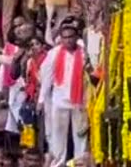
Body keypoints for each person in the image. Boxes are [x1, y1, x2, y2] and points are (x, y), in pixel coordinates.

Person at [37, 24, 90, 167]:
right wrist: (41, 100)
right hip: (59, 101)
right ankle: (58, 163)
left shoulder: (85, 53)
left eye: (70, 37)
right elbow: (47, 78)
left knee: (80, 134)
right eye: (64, 38)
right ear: (61, 39)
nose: (68, 41)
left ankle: (79, 163)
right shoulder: (54, 53)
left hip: (80, 101)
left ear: (76, 37)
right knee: (57, 136)